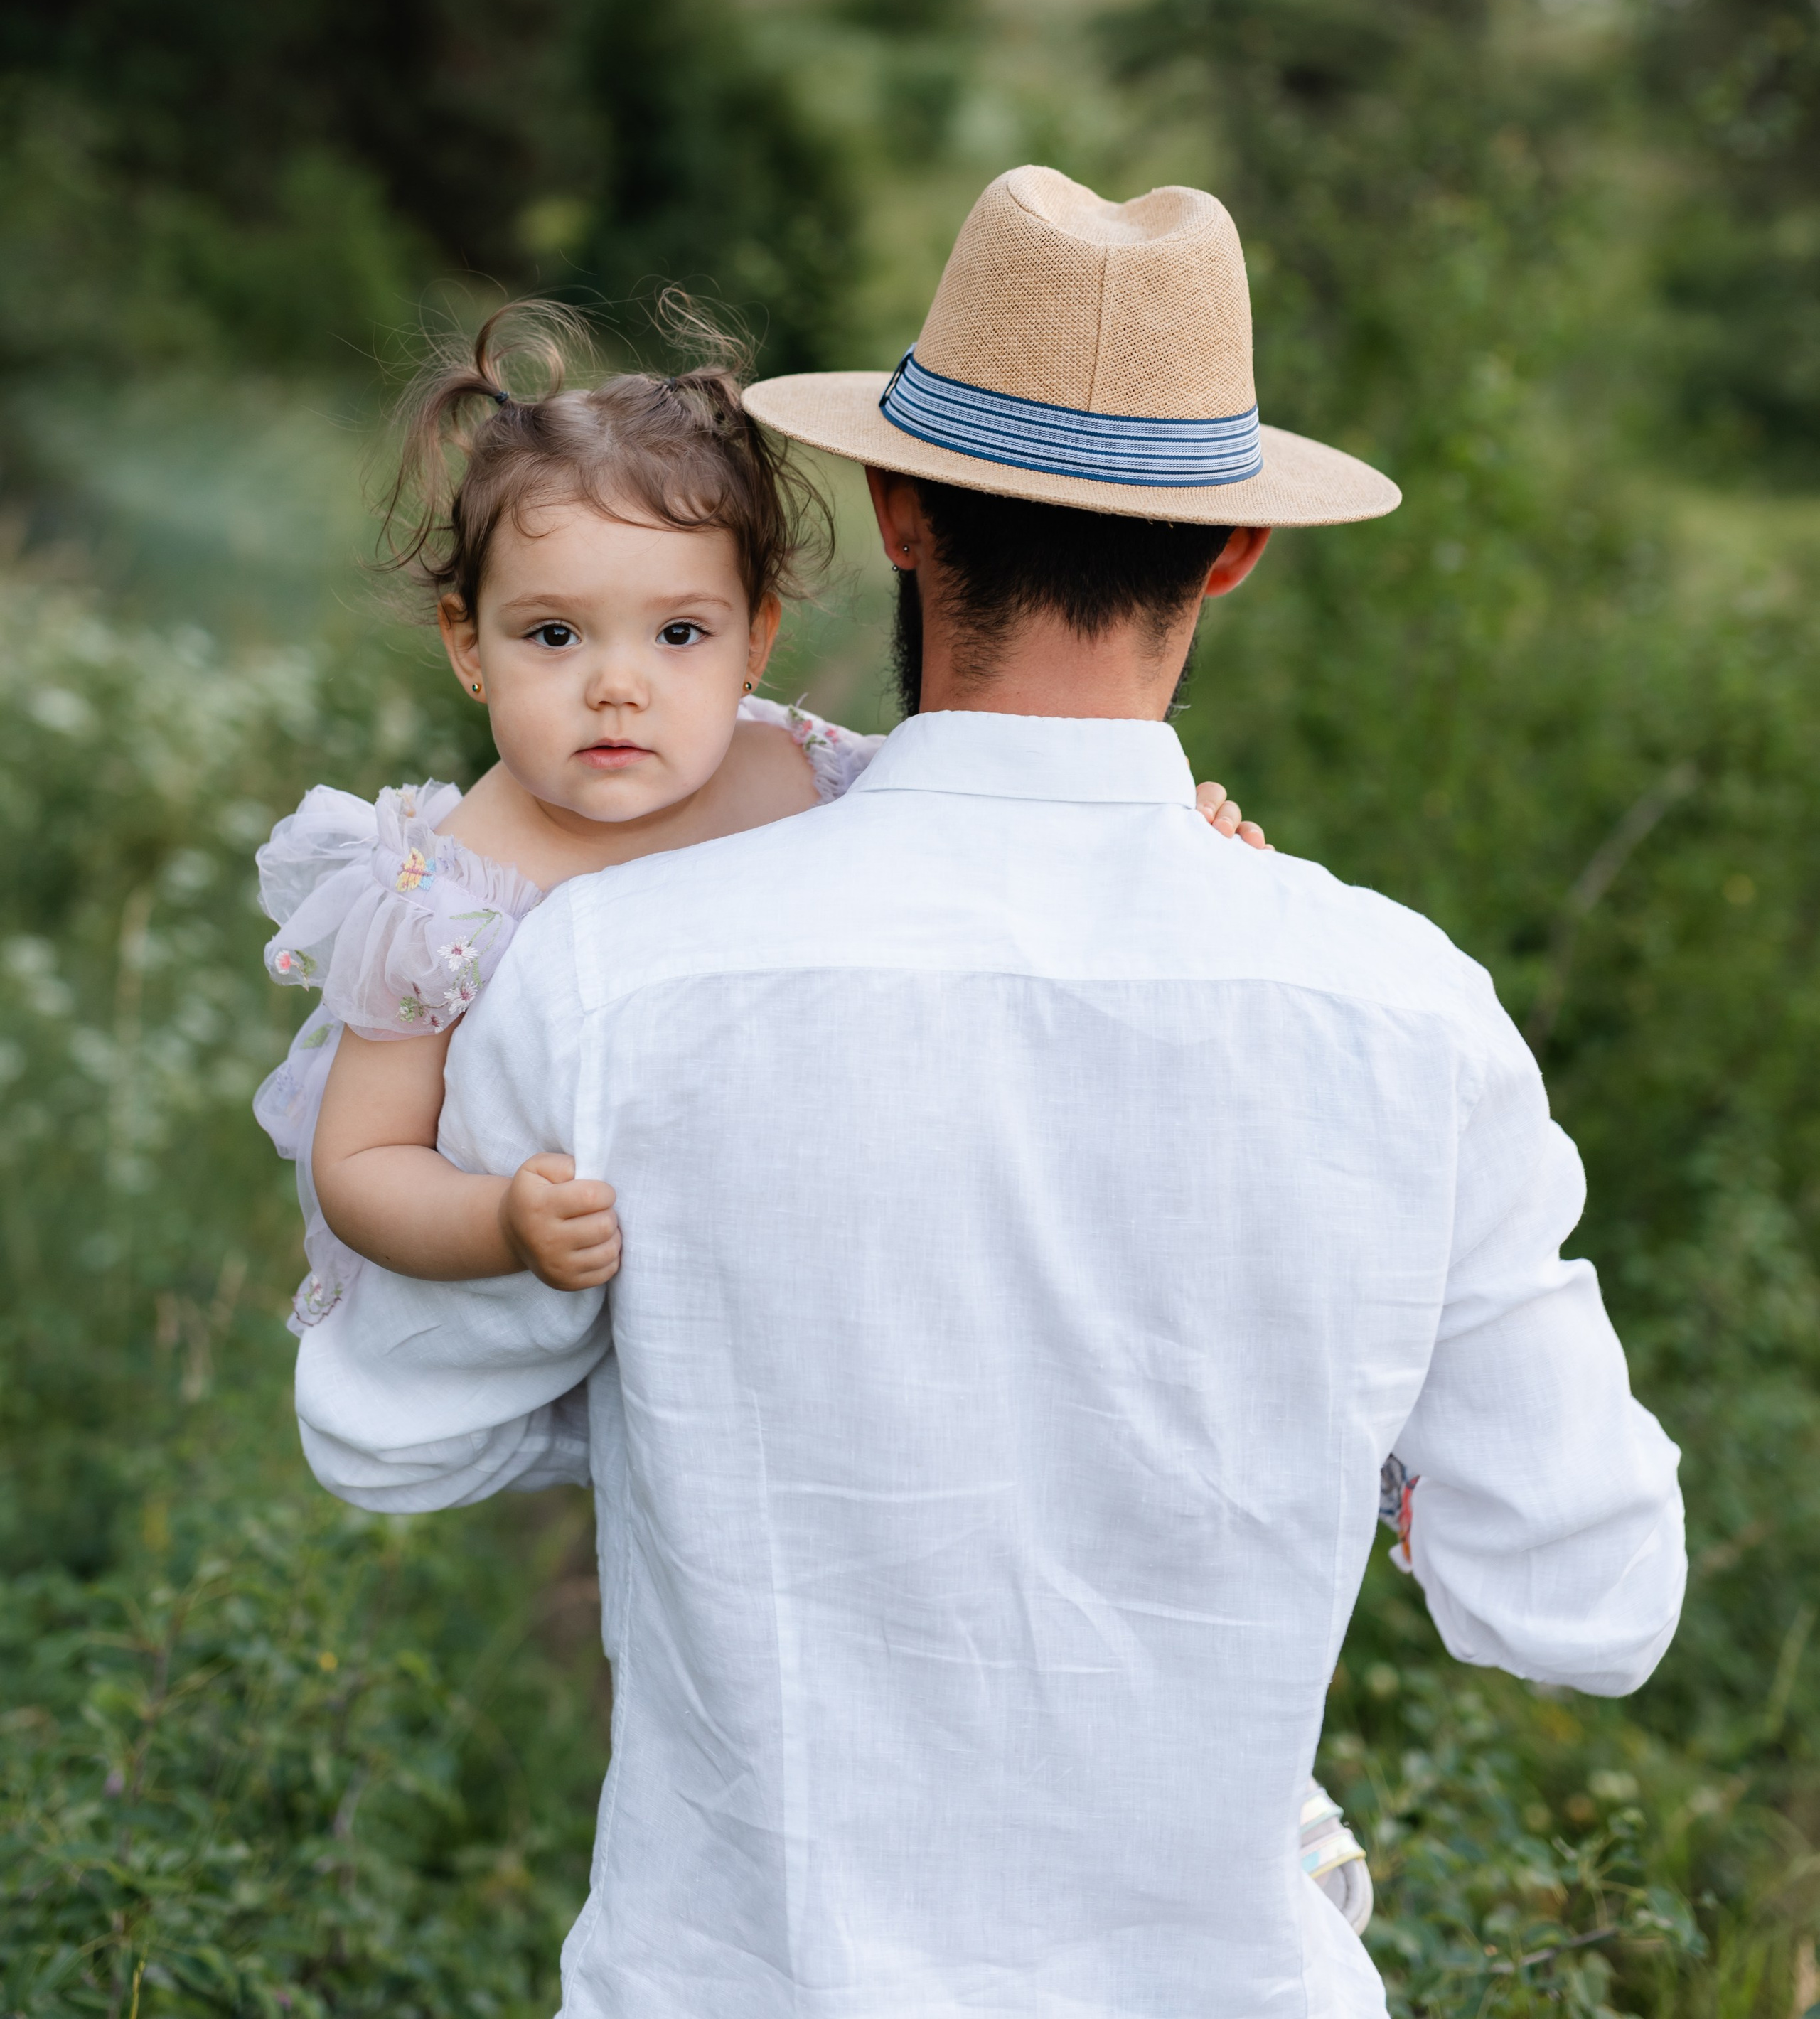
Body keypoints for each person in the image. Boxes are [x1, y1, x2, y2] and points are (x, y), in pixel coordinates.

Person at [295, 166, 1686, 2019]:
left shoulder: (617, 972)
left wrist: (673, 1367)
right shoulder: (1406, 1016)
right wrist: (1338, 1433)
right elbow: (1589, 1604)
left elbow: (382, 1433)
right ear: (1231, 551)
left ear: (895, 514)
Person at [253, 304, 1266, 1334]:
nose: (617, 685)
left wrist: (1163, 832)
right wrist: (501, 1224)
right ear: (469, 646)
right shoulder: (441, 893)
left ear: (754, 642)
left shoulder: (801, 768)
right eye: (553, 634)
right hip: (559, 1295)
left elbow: (990, 827)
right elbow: (361, 1163)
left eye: (679, 633)